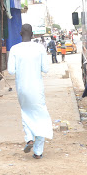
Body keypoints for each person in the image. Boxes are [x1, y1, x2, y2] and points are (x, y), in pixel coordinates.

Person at [7, 24, 53, 159]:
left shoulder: (14, 49)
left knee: (25, 113)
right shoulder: (39, 48)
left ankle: (28, 138)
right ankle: (38, 152)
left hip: (22, 88)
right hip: (37, 88)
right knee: (40, 116)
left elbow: (11, 70)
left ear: (20, 33)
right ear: (32, 34)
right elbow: (45, 69)